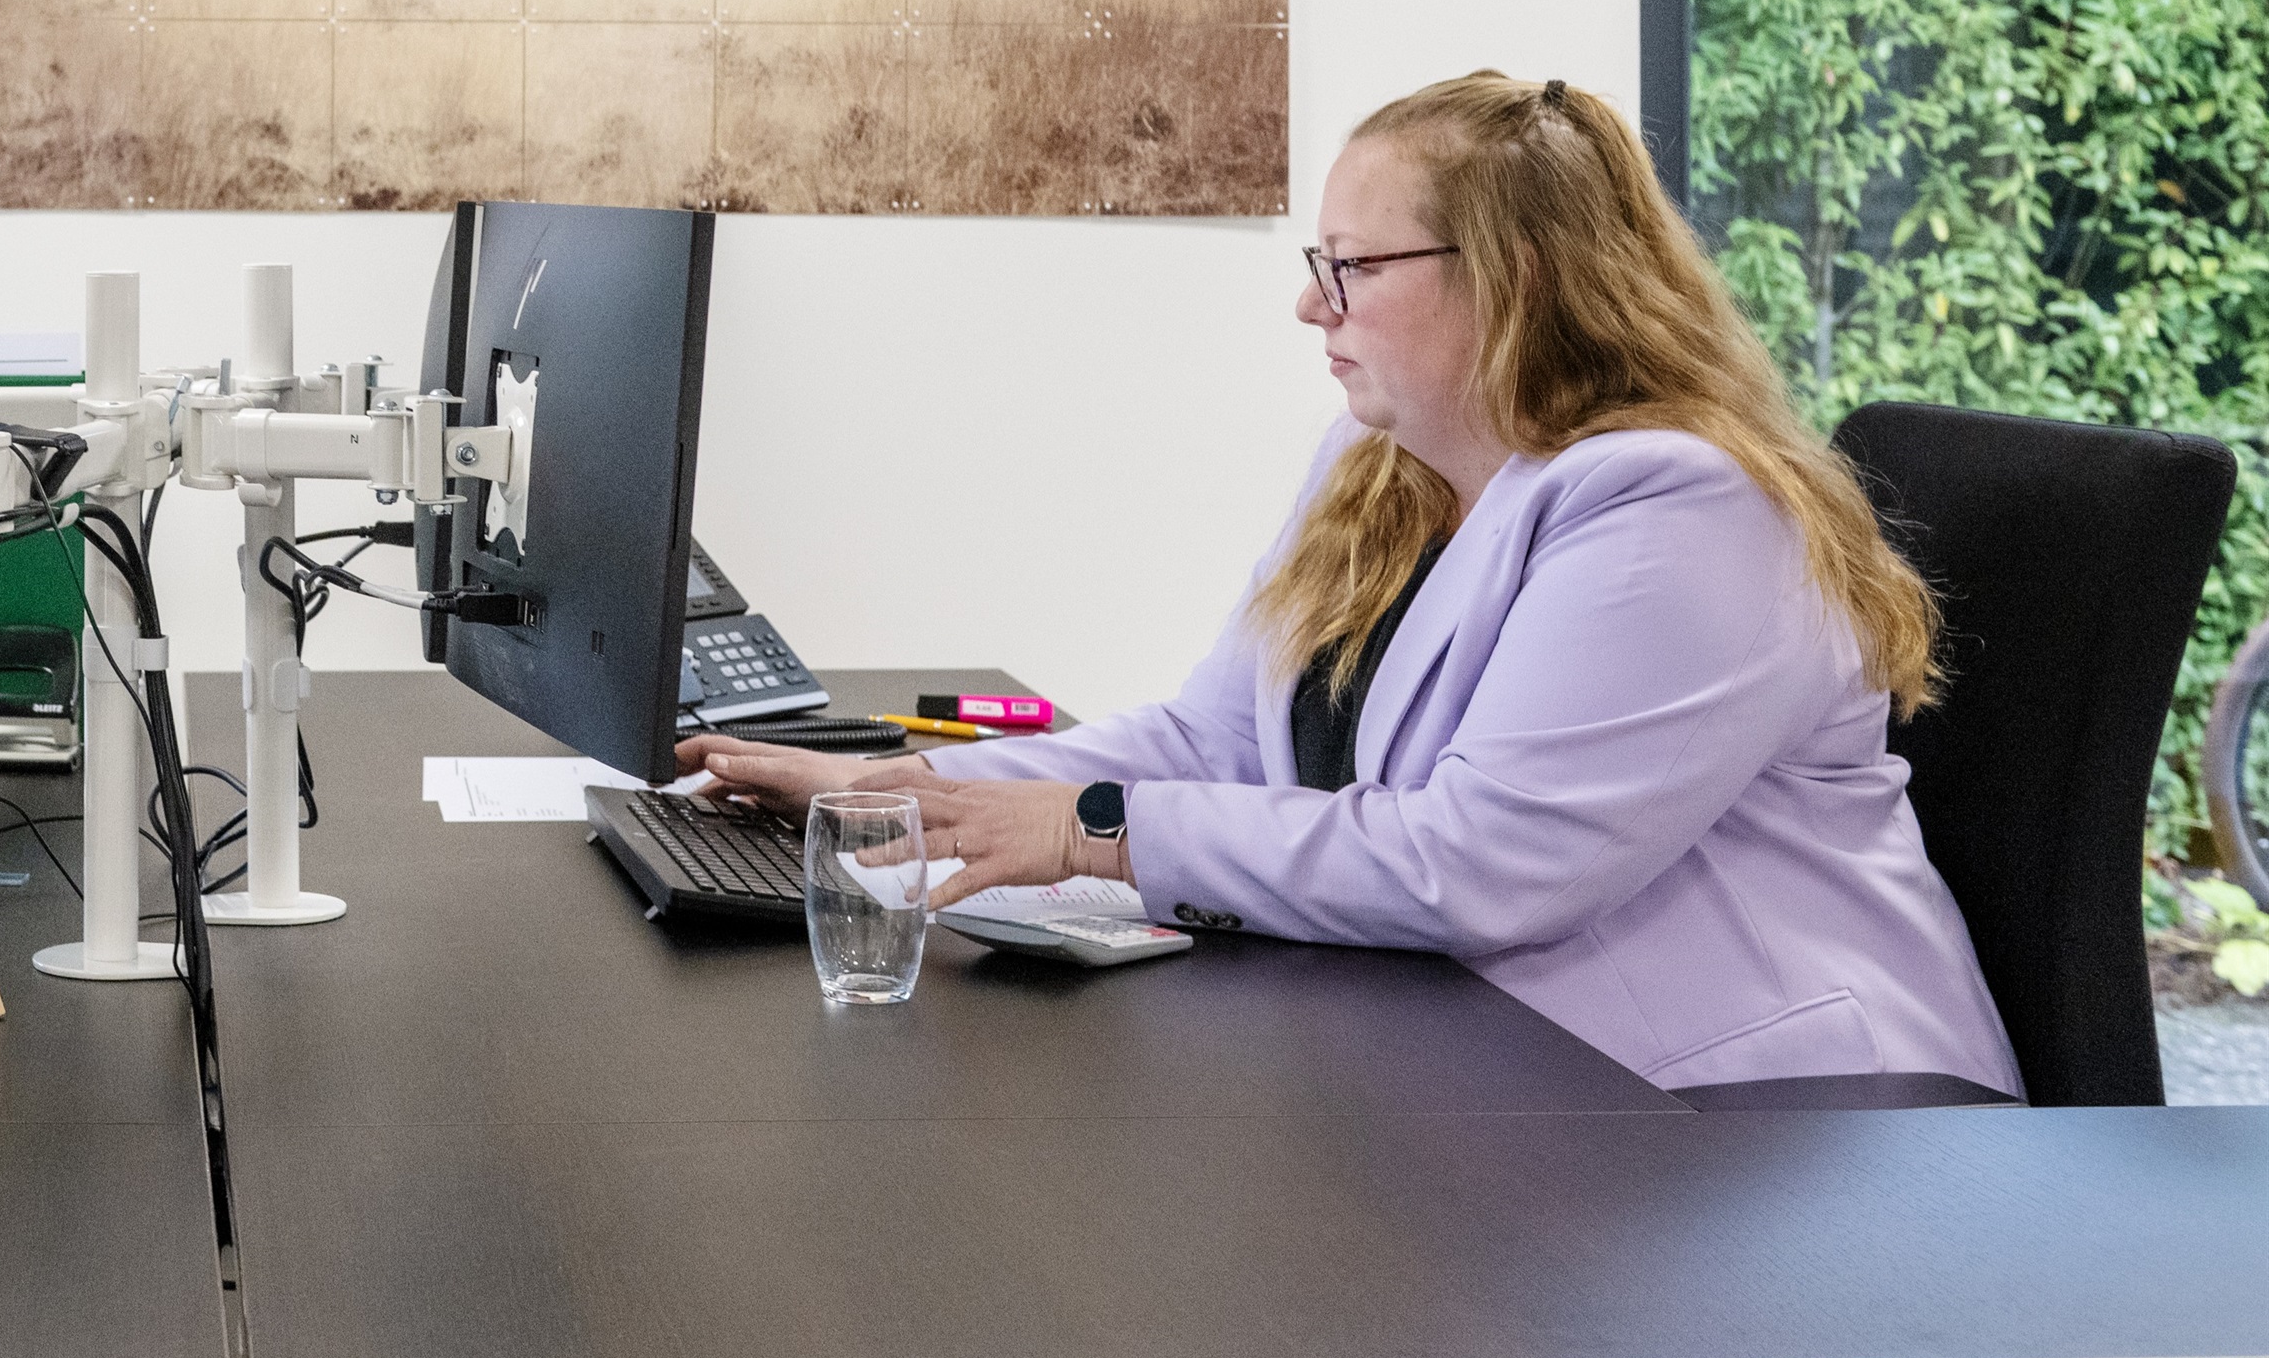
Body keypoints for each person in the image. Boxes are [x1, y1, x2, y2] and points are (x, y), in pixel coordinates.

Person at [691, 73, 2020, 1097]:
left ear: (1517, 278)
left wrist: (1088, 831)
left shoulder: (1681, 504)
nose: (1312, 307)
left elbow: (1477, 864)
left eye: (1354, 267)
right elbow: (1209, 739)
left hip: (1774, 1113)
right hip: (1499, 1058)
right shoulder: (1382, 464)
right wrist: (906, 794)